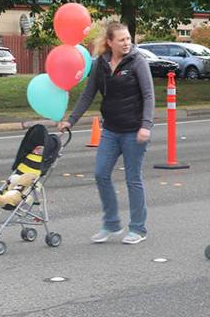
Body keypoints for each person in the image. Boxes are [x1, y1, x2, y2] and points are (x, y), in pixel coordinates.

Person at [60, 21, 154, 244]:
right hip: (111, 130)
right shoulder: (100, 64)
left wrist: (146, 126)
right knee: (101, 174)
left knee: (133, 179)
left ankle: (138, 229)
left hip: (134, 131)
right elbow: (87, 95)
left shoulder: (138, 62)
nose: (127, 43)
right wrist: (70, 121)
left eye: (129, 39)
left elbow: (149, 96)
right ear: (109, 42)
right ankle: (111, 224)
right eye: (121, 40)